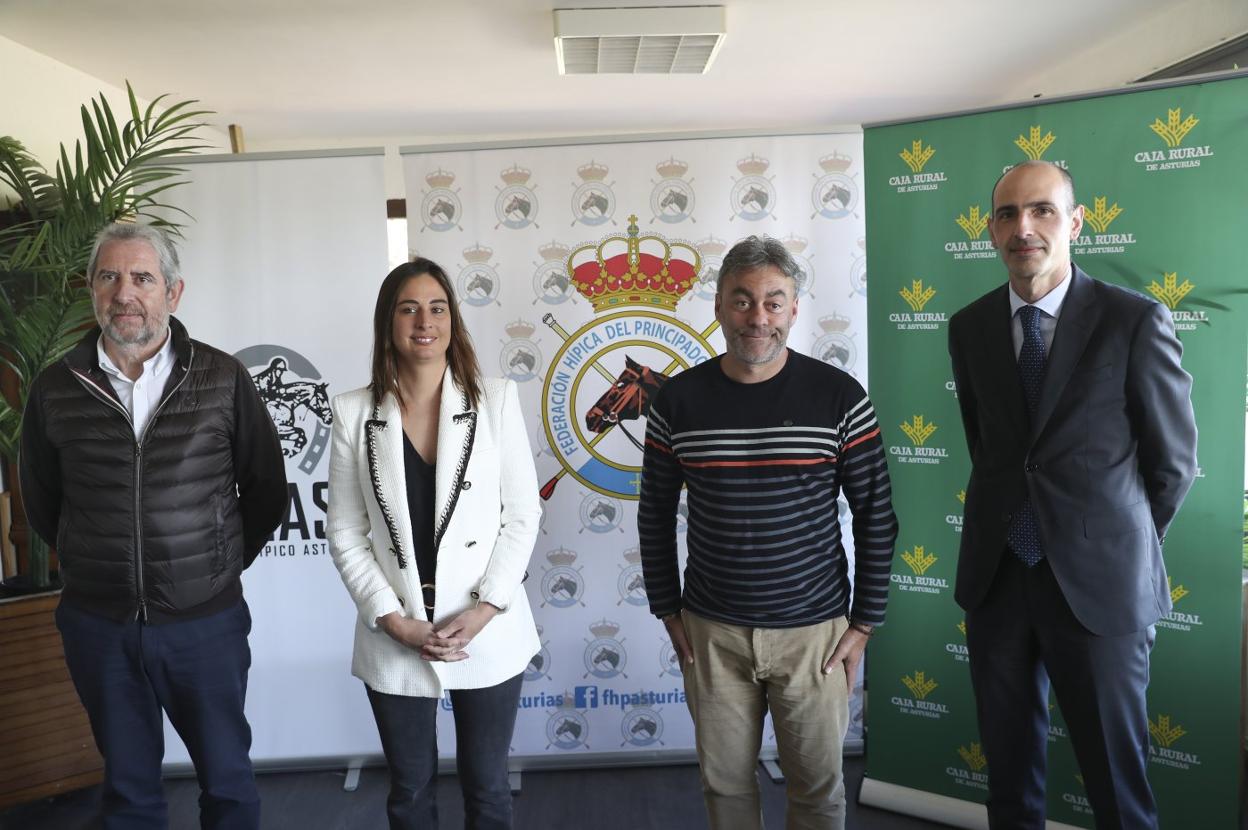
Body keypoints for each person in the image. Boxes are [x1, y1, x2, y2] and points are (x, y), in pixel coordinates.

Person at [948, 160, 1198, 829]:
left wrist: (1109, 540)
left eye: (1041, 210)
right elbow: (990, 449)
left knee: (1117, 787)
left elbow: (1172, 465)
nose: (1022, 227)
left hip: (1101, 587)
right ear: (991, 230)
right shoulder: (969, 327)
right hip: (999, 580)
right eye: (1006, 214)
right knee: (1009, 780)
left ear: (1076, 222)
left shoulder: (1135, 320)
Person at [19, 222, 288, 829]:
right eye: (108, 277)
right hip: (100, 627)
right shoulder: (56, 389)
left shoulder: (222, 379)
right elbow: (42, 501)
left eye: (142, 277)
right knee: (129, 794)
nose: (124, 293)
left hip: (205, 625)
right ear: (90, 289)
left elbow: (267, 489)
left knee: (227, 784)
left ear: (174, 292)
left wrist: (214, 565)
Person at [638, 235, 898, 830]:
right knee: (725, 788)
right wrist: (667, 609)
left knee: (817, 791)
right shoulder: (677, 401)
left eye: (773, 302)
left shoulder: (840, 398)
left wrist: (863, 623)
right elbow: (653, 512)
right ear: (718, 307)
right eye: (742, 300)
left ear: (794, 309)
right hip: (713, 634)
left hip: (815, 636)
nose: (758, 318)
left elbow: (876, 512)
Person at [326, 258, 541, 830]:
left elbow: (522, 515)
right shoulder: (353, 413)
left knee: (488, 789)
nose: (425, 321)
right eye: (409, 308)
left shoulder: (495, 399)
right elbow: (345, 532)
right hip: (396, 633)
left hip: (485, 631)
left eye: (438, 307)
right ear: (388, 322)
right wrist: (393, 620)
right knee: (410, 792)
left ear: (453, 320)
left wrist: (488, 607)